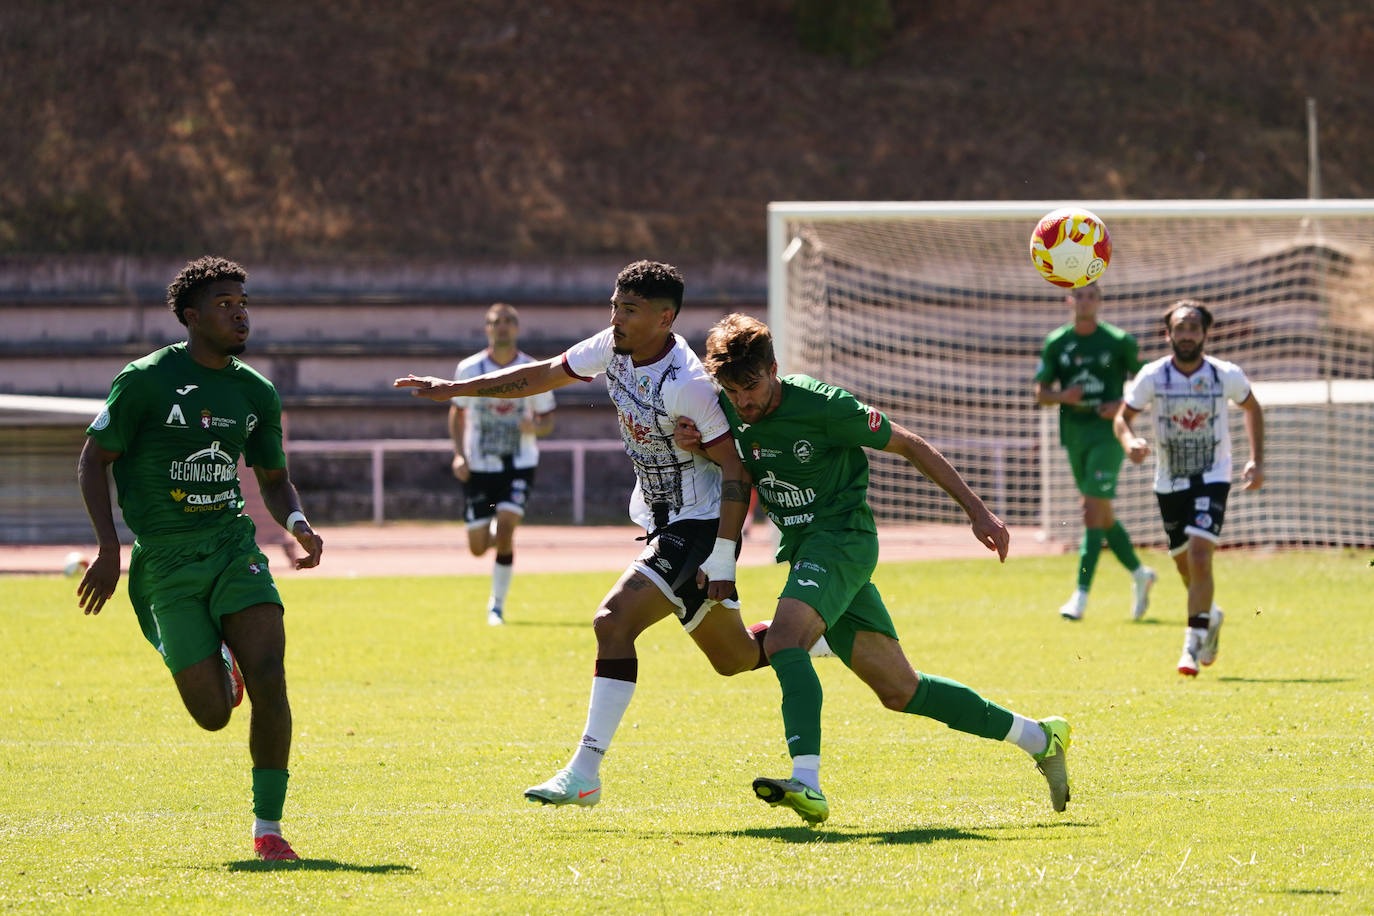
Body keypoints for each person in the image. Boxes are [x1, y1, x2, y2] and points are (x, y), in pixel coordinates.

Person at [395, 260, 774, 809]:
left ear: (666, 318)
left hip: (701, 525)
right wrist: (456, 388)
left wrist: (721, 555)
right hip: (664, 522)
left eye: (631, 309)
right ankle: (808, 634)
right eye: (615, 305)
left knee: (612, 621)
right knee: (734, 658)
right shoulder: (613, 347)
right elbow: (541, 374)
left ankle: (585, 772)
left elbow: (736, 470)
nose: (616, 317)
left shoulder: (690, 385)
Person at [677, 313, 1071, 826]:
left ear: (774, 368)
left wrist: (977, 511)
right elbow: (740, 470)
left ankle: (807, 782)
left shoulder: (823, 406)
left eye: (751, 386)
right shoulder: (729, 408)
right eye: (732, 389)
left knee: (784, 641)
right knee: (900, 691)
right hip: (807, 551)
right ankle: (1041, 737)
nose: (743, 400)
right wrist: (701, 445)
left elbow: (909, 444)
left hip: (843, 541)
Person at [76, 255, 324, 861]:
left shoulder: (255, 391)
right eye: (223, 303)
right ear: (190, 317)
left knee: (271, 675)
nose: (240, 312)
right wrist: (109, 549)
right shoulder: (145, 380)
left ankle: (269, 830)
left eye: (243, 301)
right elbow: (92, 459)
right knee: (213, 715)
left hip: (233, 548)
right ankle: (217, 658)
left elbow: (273, 476)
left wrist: (295, 522)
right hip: (165, 563)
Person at [1115, 300, 1264, 676]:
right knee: (1184, 564)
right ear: (1168, 334)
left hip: (1213, 476)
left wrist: (1256, 460)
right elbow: (1123, 418)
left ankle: (1190, 647)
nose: (1186, 335)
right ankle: (1210, 617)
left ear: (1204, 334)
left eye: (1192, 328)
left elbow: (1252, 408)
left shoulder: (1223, 374)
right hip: (1169, 480)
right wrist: (1129, 443)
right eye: (1179, 328)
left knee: (1200, 557)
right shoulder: (1153, 376)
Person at [1034, 282, 1156, 621]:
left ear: (1099, 301)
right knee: (1101, 513)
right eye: (1079, 296)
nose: (1085, 301)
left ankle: (1081, 596)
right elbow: (1041, 392)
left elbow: (1146, 385)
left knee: (1091, 510)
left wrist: (1120, 403)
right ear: (1069, 300)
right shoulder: (1057, 342)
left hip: (1109, 432)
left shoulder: (1118, 342)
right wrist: (1062, 396)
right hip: (1074, 432)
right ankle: (1140, 574)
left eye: (1092, 296)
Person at [448, 303, 556, 625]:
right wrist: (458, 454)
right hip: (479, 466)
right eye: (497, 322)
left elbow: (548, 417)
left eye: (509, 321)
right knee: (478, 547)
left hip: (518, 464)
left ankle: (496, 605)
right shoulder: (469, 369)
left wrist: (536, 427)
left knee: (507, 528)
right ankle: (495, 527)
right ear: (488, 329)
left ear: (517, 329)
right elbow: (457, 411)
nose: (503, 327)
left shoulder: (532, 369)